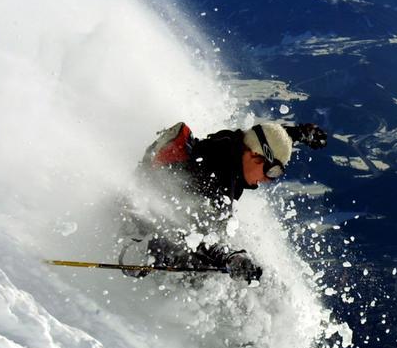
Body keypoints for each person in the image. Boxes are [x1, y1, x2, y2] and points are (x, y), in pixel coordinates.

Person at [119, 120, 327, 282]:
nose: (267, 179)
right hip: (143, 229)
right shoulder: (214, 180)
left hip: (165, 210)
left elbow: (264, 136)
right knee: (204, 274)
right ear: (255, 156)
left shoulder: (233, 145)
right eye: (271, 171)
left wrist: (298, 133)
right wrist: (231, 258)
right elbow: (199, 235)